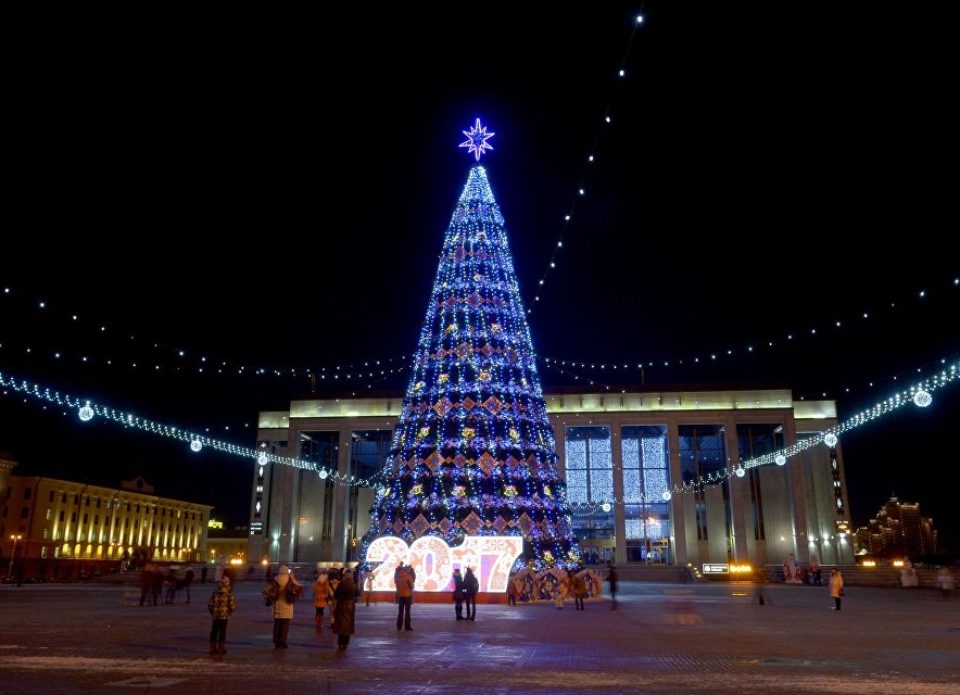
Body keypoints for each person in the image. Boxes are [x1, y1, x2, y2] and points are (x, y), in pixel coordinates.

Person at [266, 565, 302, 648]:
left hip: (277, 605)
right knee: (285, 625)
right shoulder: (290, 580)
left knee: (277, 624)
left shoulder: (275, 580)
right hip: (287, 605)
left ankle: (276, 641)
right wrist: (292, 578)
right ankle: (283, 642)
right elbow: (299, 587)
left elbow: (268, 590)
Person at [207, 575, 236, 656]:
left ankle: (212, 649)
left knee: (214, 632)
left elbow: (210, 605)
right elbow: (232, 606)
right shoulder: (229, 593)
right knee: (222, 632)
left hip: (215, 615)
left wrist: (212, 612)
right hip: (224, 616)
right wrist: (231, 611)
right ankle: (221, 649)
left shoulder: (215, 592)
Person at [333, 572, 356, 651]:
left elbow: (336, 595)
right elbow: (358, 593)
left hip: (341, 606)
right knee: (348, 626)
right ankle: (345, 644)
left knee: (340, 625)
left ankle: (340, 644)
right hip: (350, 606)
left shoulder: (341, 584)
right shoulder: (353, 584)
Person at [395, 563, 415, 631]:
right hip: (407, 596)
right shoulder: (409, 576)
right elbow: (411, 587)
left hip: (401, 596)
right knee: (407, 612)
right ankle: (407, 626)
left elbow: (397, 585)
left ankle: (399, 626)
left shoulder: (398, 576)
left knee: (400, 612)